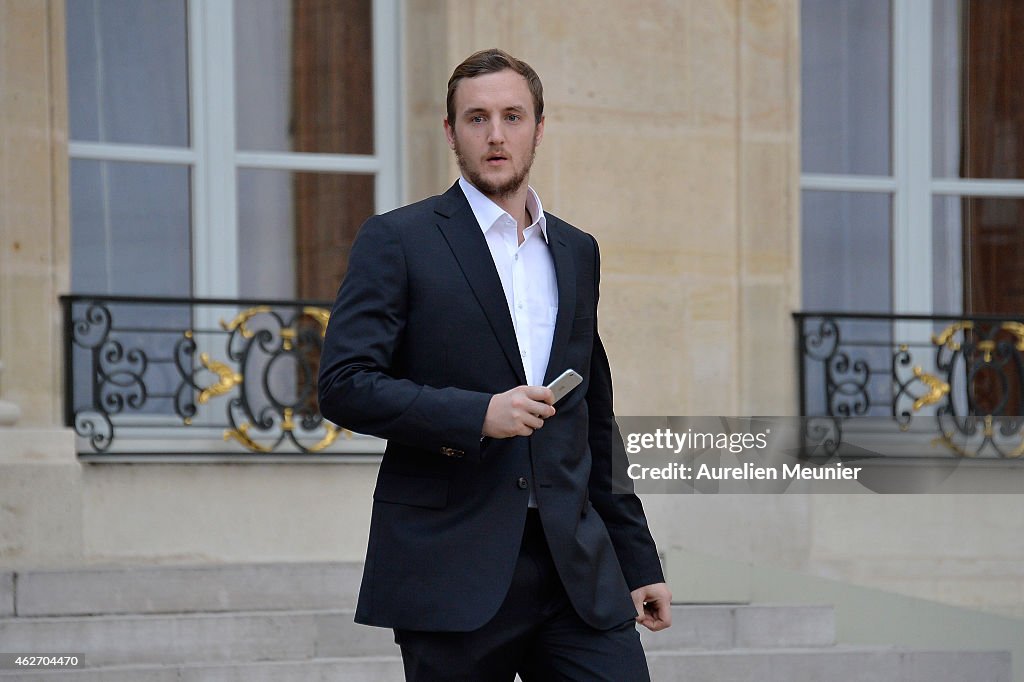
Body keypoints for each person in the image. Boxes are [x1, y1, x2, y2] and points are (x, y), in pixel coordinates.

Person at [318, 48, 671, 682]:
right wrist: (478, 414)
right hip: (452, 563)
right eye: (477, 118)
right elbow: (344, 386)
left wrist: (638, 559)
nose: (497, 134)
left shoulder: (576, 251)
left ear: (540, 125)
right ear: (451, 132)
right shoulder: (398, 240)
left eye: (513, 115)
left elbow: (594, 418)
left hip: (575, 566)